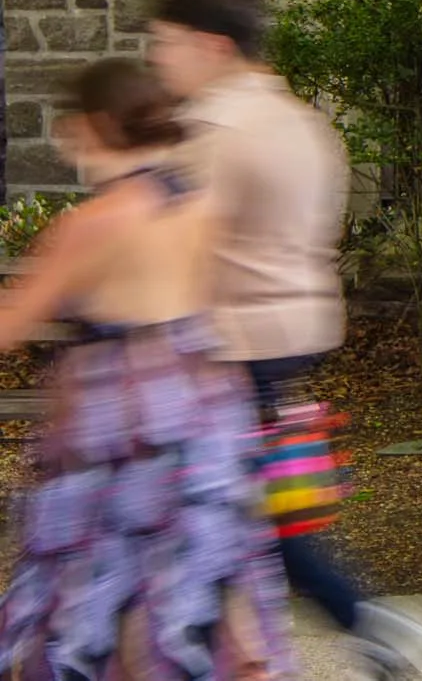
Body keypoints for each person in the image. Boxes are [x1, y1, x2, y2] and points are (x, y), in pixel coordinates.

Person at [148, 0, 422, 681]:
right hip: (295, 324)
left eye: (165, 45)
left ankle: (344, 622)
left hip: (232, 334)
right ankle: (351, 622)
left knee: (208, 500)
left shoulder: (217, 126)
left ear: (212, 45)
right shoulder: (302, 120)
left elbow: (187, 238)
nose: (159, 61)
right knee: (252, 499)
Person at [0, 59, 290, 681]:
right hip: (204, 410)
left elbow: (11, 324)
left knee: (85, 601)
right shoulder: (202, 206)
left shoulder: (95, 224)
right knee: (195, 593)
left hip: (118, 424)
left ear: (94, 125)